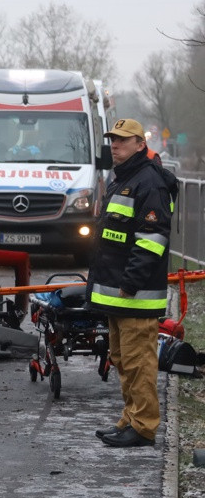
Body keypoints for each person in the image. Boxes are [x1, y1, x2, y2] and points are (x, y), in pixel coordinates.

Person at [89, 118, 178, 448]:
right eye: (113, 139)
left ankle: (143, 427)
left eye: (124, 140)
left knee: (139, 363)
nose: (115, 145)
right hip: (119, 293)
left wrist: (130, 282)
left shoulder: (148, 183)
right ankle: (131, 418)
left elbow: (152, 240)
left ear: (141, 144)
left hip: (134, 295)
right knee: (123, 359)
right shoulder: (123, 177)